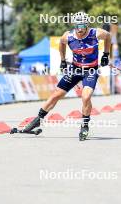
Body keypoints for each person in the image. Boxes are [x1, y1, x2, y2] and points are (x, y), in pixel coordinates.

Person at [15, 12, 111, 140]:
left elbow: (108, 36)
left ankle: (85, 125)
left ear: (87, 24)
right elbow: (61, 43)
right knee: (56, 94)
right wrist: (63, 61)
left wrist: (105, 54)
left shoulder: (96, 33)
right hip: (75, 69)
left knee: (86, 96)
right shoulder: (68, 36)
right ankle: (38, 118)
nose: (80, 28)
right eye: (77, 25)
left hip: (90, 70)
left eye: (82, 25)